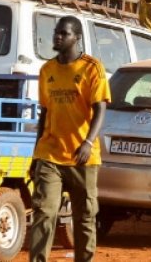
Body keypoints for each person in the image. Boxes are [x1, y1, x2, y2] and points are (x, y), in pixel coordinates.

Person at [29, 16, 110, 262]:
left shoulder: (92, 68)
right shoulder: (47, 71)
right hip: (50, 153)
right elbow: (44, 113)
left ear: (77, 37)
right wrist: (35, 155)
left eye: (64, 33)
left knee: (85, 216)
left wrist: (87, 142)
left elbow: (100, 109)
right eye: (56, 32)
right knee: (44, 212)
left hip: (82, 156)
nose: (58, 37)